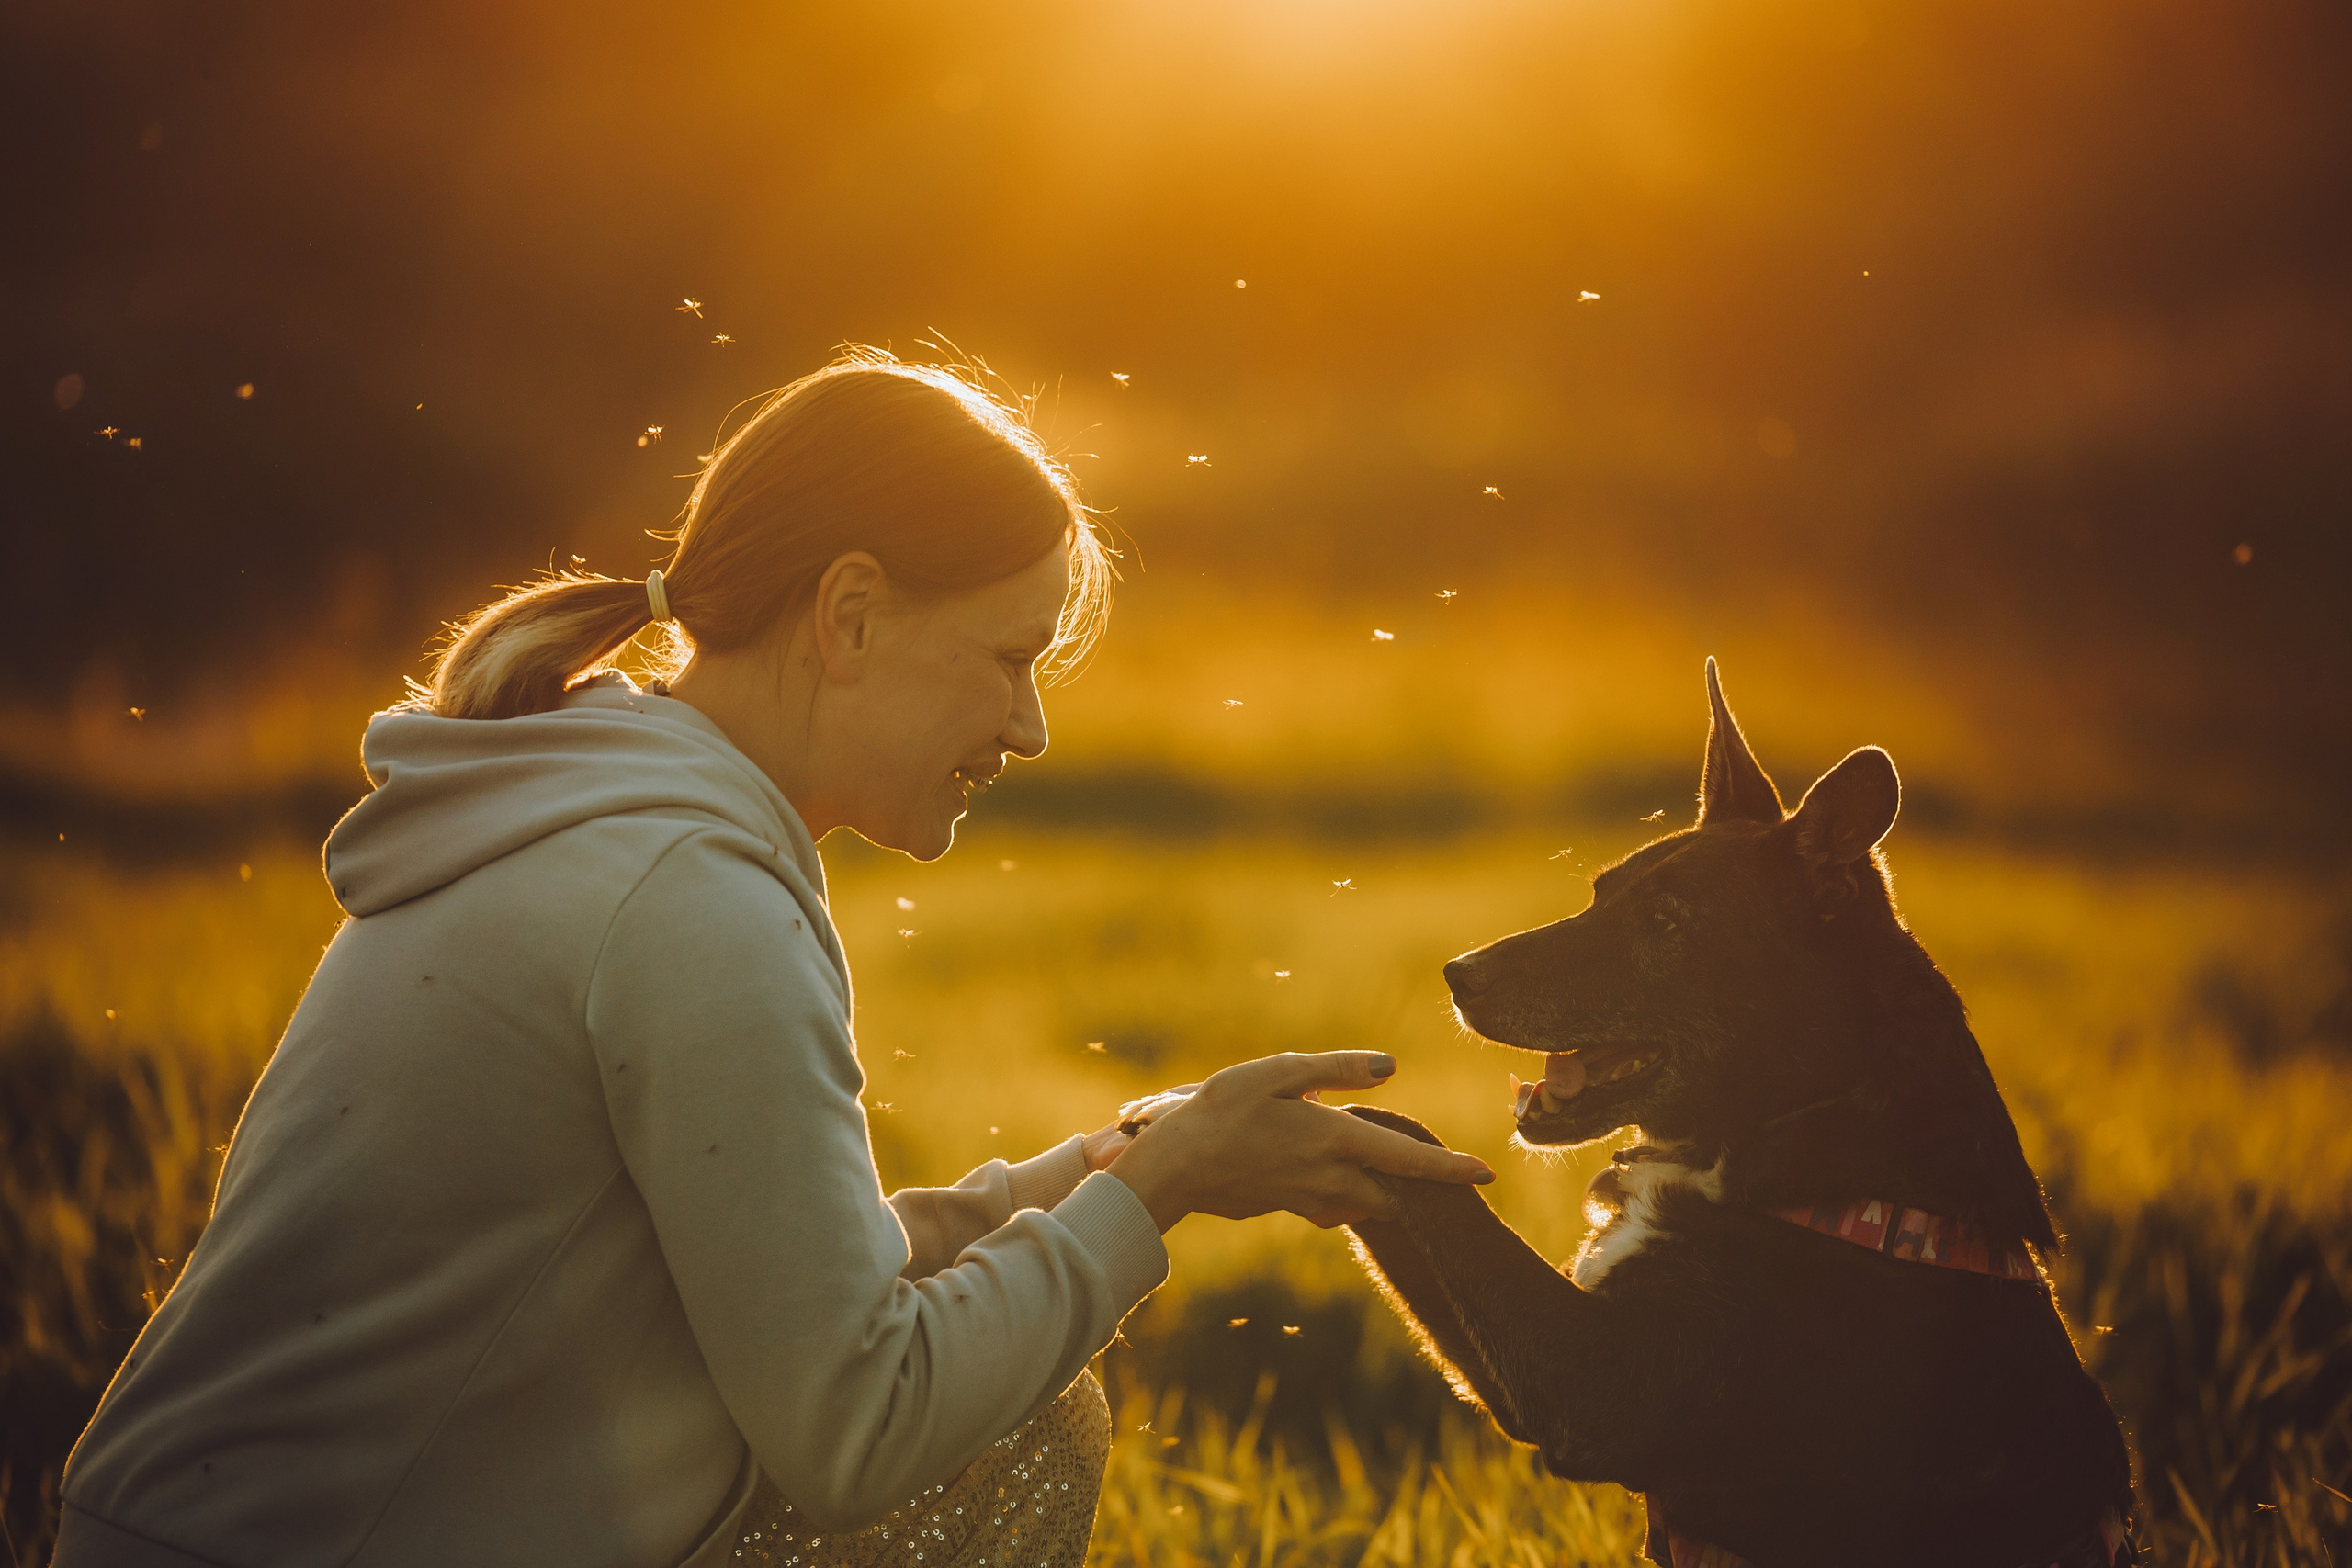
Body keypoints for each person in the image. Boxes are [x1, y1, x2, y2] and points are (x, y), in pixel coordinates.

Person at [53, 351, 1493, 1568]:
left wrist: (1131, 1162)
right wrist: (1158, 1198)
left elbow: (808, 1280)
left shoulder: (617, 815)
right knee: (1008, 1437)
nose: (1030, 730)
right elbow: (859, 1424)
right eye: (1008, 659)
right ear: (850, 614)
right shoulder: (690, 900)